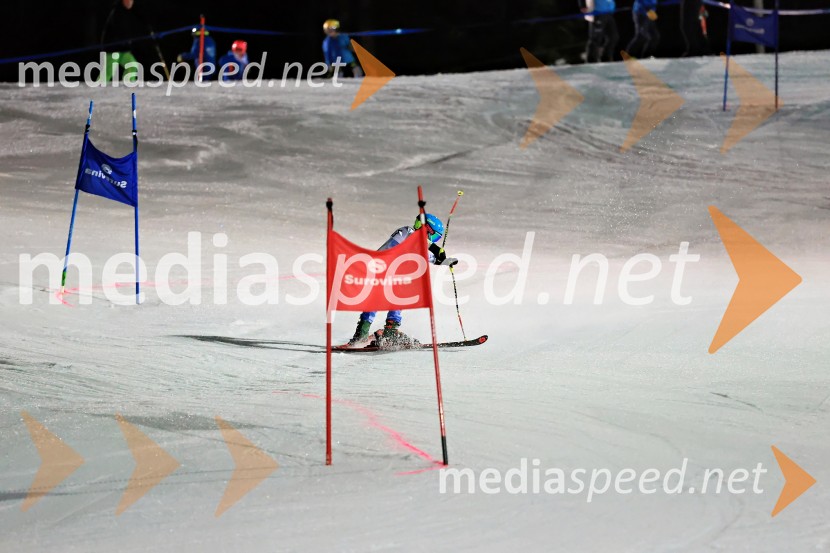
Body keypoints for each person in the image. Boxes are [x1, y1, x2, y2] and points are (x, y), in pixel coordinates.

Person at [346, 214, 458, 348]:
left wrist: (444, 260)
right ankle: (367, 333)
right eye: (434, 236)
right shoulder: (407, 232)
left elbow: (429, 256)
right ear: (426, 229)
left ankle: (385, 331)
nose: (433, 240)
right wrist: (435, 248)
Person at [99, 0, 146, 82]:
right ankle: (98, 86)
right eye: (128, 0)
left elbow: (133, 29)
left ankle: (129, 84)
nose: (130, 3)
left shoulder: (130, 13)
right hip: (113, 48)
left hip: (123, 48)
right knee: (109, 70)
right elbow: (112, 30)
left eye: (132, 1)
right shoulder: (116, 11)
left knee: (132, 65)